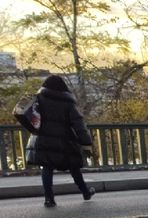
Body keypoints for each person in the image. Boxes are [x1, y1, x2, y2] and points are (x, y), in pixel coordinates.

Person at [25, 75, 96, 207]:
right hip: (64, 141)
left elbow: (29, 115)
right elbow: (78, 124)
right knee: (74, 167)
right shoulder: (67, 102)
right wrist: (86, 142)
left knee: (46, 168)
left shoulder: (39, 99)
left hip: (43, 138)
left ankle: (49, 199)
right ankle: (85, 192)